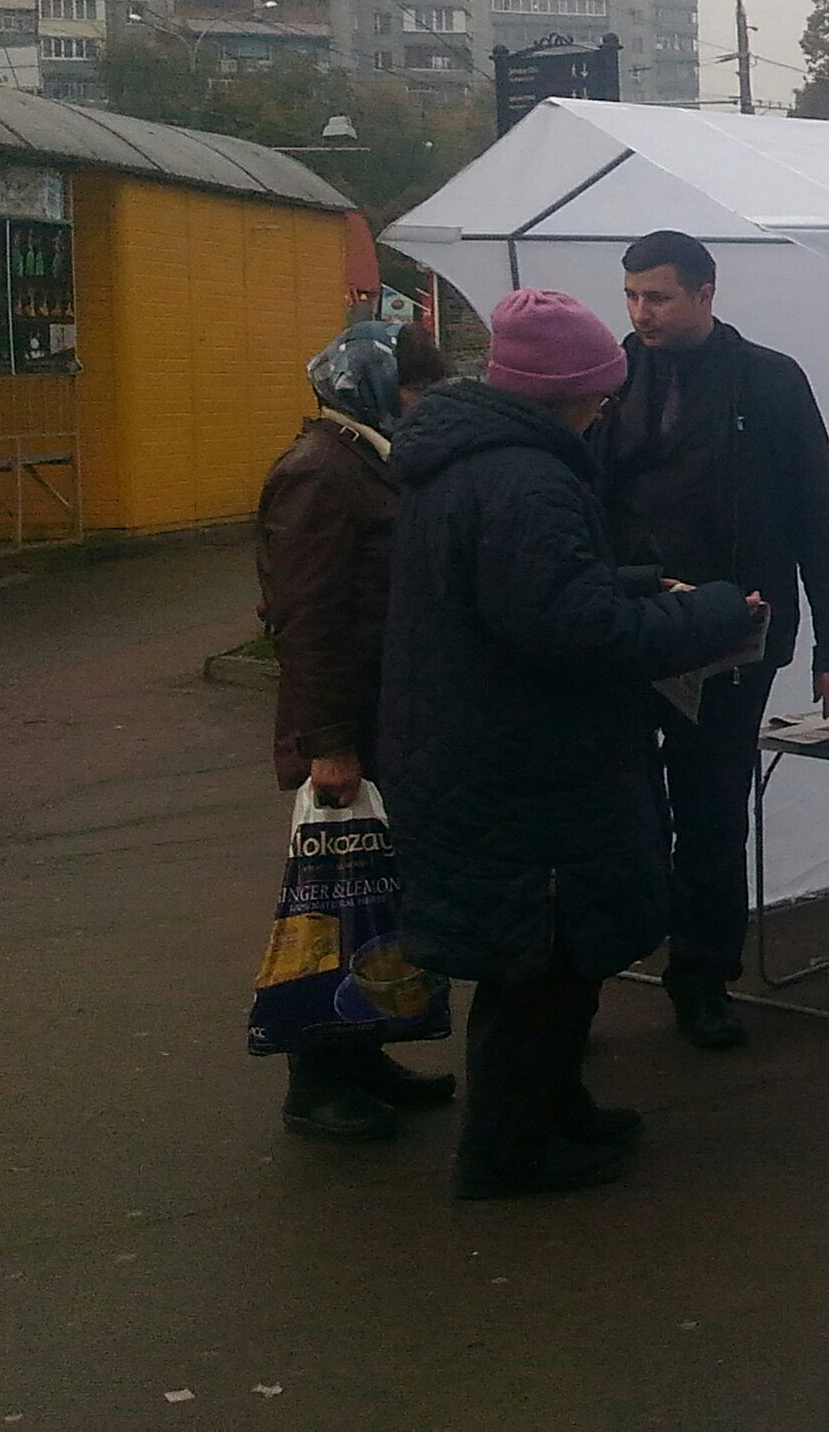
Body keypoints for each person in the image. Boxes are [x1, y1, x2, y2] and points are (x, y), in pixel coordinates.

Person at [378, 289, 763, 1200]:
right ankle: (510, 1148)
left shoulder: (479, 466)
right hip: (526, 766)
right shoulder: (528, 482)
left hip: (492, 750)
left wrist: (634, 581)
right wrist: (708, 612)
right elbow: (576, 632)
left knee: (557, 956)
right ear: (566, 392)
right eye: (600, 391)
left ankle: (553, 1107)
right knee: (538, 963)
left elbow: (534, 593)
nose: (606, 407)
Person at [595, 230, 829, 1051]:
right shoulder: (609, 377)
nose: (642, 313)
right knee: (616, 812)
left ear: (706, 294)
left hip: (735, 637)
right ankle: (589, 975)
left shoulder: (769, 381)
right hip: (626, 628)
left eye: (659, 297)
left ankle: (703, 977)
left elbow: (819, 516)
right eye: (632, 296)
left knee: (711, 813)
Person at [253, 318, 456, 1142]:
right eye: (415, 390)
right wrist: (328, 744)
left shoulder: (365, 458)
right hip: (346, 729)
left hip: (379, 718)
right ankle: (317, 1080)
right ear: (372, 385)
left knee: (374, 897)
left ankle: (363, 1051)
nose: (423, 405)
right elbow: (306, 620)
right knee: (334, 906)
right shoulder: (320, 472)